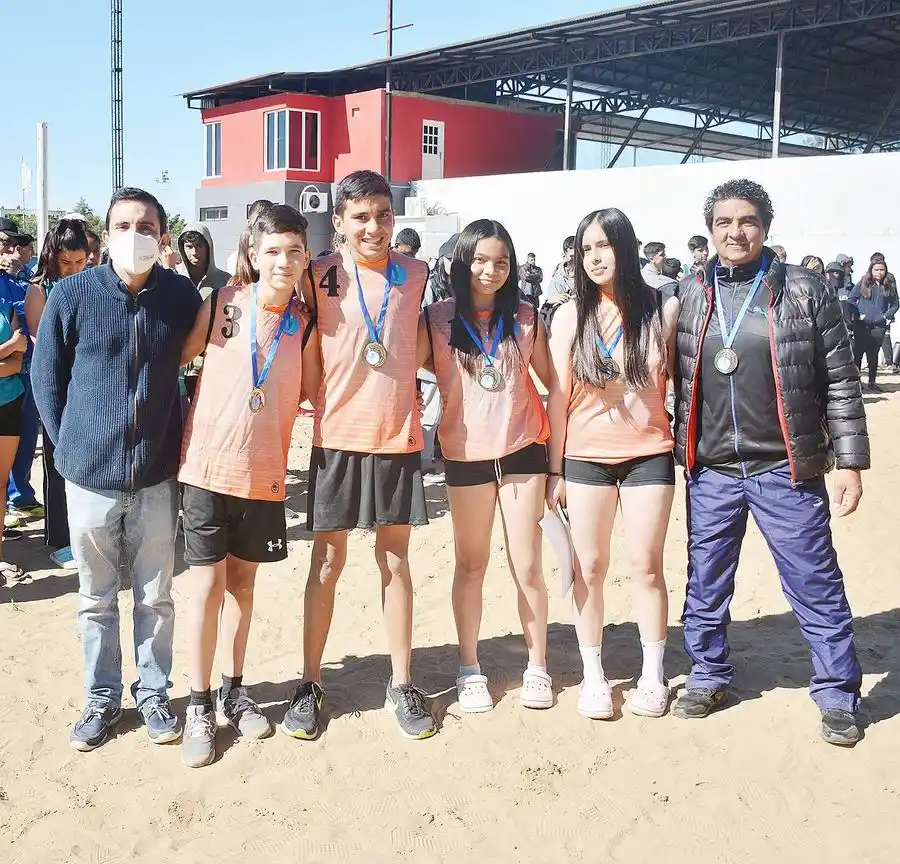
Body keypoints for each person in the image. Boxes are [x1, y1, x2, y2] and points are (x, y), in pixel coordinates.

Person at [672, 178, 868, 746]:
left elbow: (840, 381)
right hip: (712, 470)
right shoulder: (688, 293)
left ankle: (837, 692)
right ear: (710, 231)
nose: (736, 232)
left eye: (747, 221)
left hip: (784, 469)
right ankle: (707, 674)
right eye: (724, 222)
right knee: (705, 582)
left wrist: (849, 462)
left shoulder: (805, 290)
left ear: (765, 227)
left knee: (814, 581)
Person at [32, 187, 203, 752]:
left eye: (147, 226)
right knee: (95, 599)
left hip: (156, 476)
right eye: (124, 226)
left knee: (156, 597)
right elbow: (47, 379)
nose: (136, 235)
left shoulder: (179, 296)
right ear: (105, 237)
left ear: (163, 235)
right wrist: (69, 449)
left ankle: (153, 693)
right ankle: (101, 698)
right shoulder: (72, 294)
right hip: (89, 479)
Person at [284, 170, 436, 741]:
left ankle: (402, 682)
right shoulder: (317, 273)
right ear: (340, 222)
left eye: (383, 215)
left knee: (394, 561)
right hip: (337, 437)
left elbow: (423, 344)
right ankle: (309, 682)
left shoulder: (415, 274)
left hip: (396, 435)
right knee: (326, 562)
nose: (374, 227)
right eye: (361, 217)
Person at [177, 205, 321, 768]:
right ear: (254, 255)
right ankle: (198, 703)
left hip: (264, 475)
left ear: (306, 257)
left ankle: (234, 690)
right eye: (273, 251)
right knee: (205, 588)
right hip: (206, 470)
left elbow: (313, 390)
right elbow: (178, 357)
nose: (284, 261)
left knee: (242, 587)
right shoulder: (221, 304)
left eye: (294, 251)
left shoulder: (305, 322)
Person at [547, 208, 679, 720]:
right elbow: (558, 399)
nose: (595, 257)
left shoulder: (661, 309)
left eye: (604, 245)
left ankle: (653, 674)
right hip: (585, 458)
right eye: (586, 249)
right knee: (590, 567)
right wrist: (555, 470)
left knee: (646, 565)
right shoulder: (568, 316)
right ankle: (594, 675)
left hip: (649, 453)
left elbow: (679, 380)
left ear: (626, 247)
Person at [419, 219, 553, 713]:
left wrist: (561, 461)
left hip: (523, 451)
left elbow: (555, 382)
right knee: (471, 564)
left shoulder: (525, 317)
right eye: (479, 260)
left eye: (501, 262)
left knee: (528, 564)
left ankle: (537, 665)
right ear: (461, 262)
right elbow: (408, 365)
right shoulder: (436, 319)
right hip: (465, 455)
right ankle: (469, 667)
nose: (490, 270)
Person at [24, 220, 90, 569]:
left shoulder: (92, 285)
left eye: (80, 262)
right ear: (52, 257)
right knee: (56, 462)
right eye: (67, 263)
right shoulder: (39, 291)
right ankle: (60, 538)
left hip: (87, 386)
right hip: (56, 386)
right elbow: (42, 346)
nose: (74, 269)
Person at [0, 219, 42, 529]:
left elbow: (24, 323)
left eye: (15, 243)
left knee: (25, 436)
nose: (11, 249)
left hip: (23, 369)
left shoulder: (21, 277)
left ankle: (20, 495)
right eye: (5, 242)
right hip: (10, 367)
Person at [176, 223, 230, 402]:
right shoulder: (173, 278)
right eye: (189, 246)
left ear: (209, 247)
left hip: (212, 365)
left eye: (199, 246)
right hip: (177, 367)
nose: (194, 252)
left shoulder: (225, 281)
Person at [0, 292, 28, 585]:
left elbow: (16, 365)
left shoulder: (7, 310)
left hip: (8, 404)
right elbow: (14, 351)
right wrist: (9, 347)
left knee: (0, 485)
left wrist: (12, 354)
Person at [850, 255, 898, 393]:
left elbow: (895, 303)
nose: (879, 272)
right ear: (871, 270)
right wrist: (858, 314)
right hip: (862, 324)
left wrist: (886, 316)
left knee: (873, 354)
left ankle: (872, 382)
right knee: (858, 353)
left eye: (882, 269)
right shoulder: (863, 282)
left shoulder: (889, 284)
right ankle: (857, 381)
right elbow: (851, 299)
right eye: (876, 269)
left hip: (879, 325)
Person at [226, 199, 274, 276]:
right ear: (249, 224)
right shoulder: (235, 261)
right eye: (259, 224)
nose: (264, 229)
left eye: (269, 223)